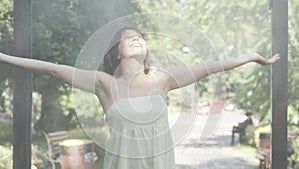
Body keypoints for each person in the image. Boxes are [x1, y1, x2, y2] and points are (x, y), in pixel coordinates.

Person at [0, 27, 280, 169]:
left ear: (146, 50)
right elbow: (52, 69)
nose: (136, 39)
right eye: (128, 38)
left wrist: (253, 58)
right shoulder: (104, 83)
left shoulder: (162, 79)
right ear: (117, 51)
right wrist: (3, 57)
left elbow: (212, 66)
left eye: (140, 37)